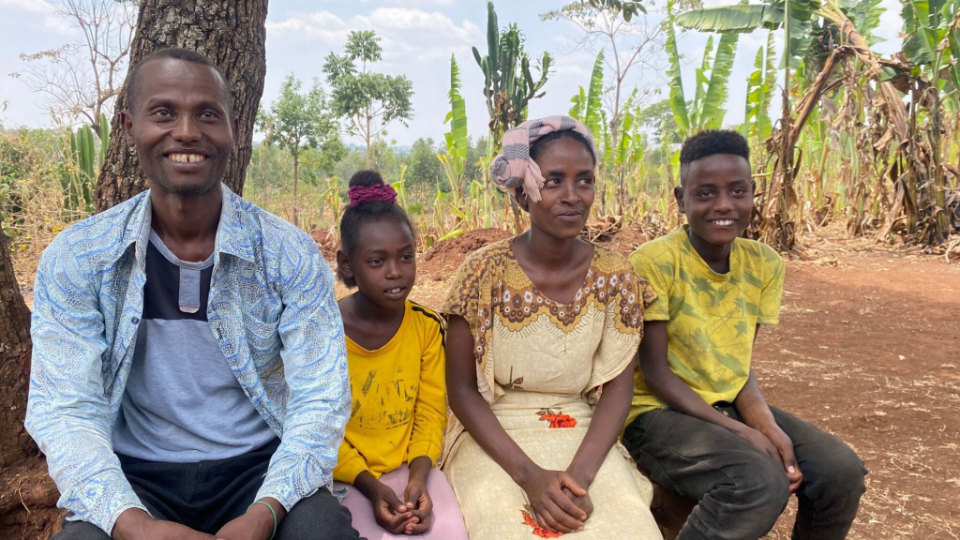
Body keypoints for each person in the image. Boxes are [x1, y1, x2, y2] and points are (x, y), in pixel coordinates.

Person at [26, 48, 359, 540]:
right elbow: (65, 409)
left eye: (207, 114)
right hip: (135, 476)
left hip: (259, 471)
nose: (186, 132)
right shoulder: (78, 258)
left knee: (321, 533)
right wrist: (132, 524)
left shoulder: (289, 254)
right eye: (163, 112)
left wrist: (264, 513)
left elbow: (321, 399)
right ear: (127, 126)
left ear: (234, 128)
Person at [622, 130, 867, 540]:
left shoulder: (764, 265)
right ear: (680, 199)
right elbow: (656, 373)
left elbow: (738, 366)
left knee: (840, 471)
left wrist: (766, 424)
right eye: (705, 194)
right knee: (756, 483)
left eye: (737, 191)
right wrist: (742, 431)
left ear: (754, 193)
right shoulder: (654, 262)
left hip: (724, 405)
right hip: (655, 413)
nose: (723, 205)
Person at [441, 116, 663, 539]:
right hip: (493, 433)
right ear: (524, 195)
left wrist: (579, 476)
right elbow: (463, 392)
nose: (572, 196)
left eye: (585, 181)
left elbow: (618, 385)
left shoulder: (616, 275)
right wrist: (530, 477)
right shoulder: (481, 273)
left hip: (583, 431)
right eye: (554, 181)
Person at [332, 170, 468, 540]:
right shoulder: (324, 332)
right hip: (343, 474)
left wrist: (419, 480)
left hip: (412, 468)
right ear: (348, 265)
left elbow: (429, 412)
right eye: (377, 261)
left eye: (406, 256)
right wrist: (371, 487)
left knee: (450, 533)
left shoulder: (425, 328)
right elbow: (319, 423)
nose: (396, 272)